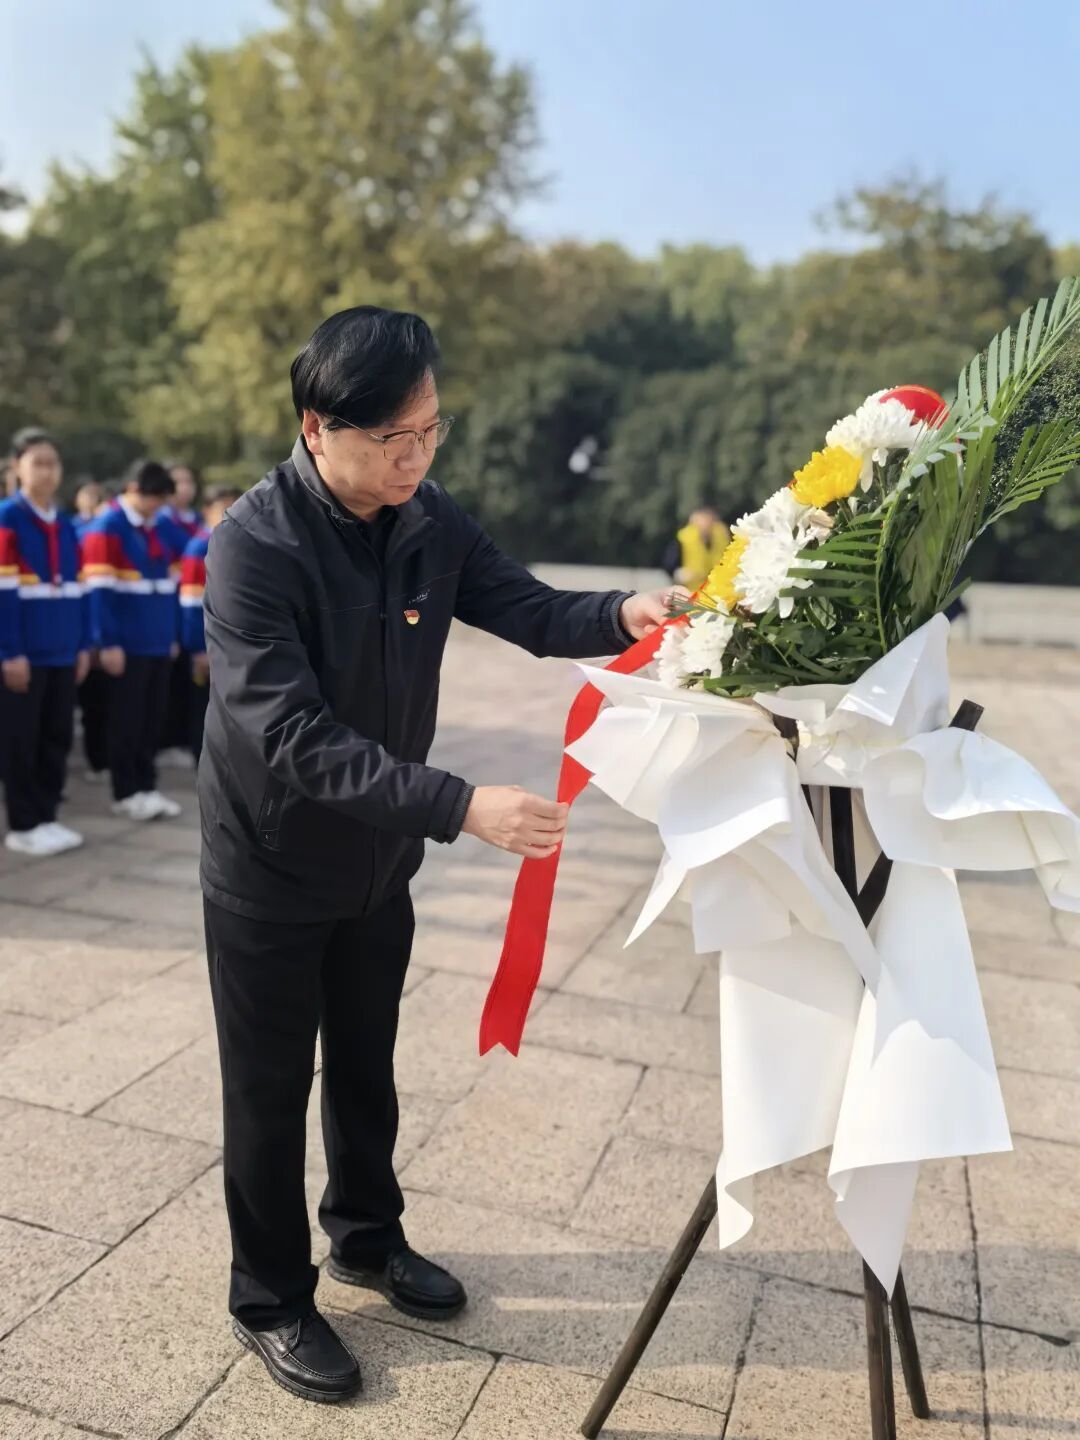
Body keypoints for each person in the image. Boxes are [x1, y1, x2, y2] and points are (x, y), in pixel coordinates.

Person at [199, 306, 677, 1404]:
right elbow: (291, 736)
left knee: (367, 1064)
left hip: (378, 863)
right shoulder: (253, 546)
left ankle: (366, 1238)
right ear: (319, 428)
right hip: (270, 864)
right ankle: (269, 1298)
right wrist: (459, 805)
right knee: (268, 1091)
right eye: (392, 439)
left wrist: (627, 612)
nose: (415, 457)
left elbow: (528, 607)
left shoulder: (427, 517)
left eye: (430, 431)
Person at [0, 429, 89, 856]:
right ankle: (23, 824)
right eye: (37, 462)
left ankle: (47, 816)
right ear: (17, 468)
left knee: (56, 737)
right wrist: (9, 652)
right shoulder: (7, 519)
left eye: (53, 463)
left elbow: (78, 589)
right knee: (22, 740)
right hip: (25, 653)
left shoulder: (66, 523)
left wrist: (82, 645)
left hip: (62, 651)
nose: (47, 471)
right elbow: (4, 594)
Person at [80, 460, 185, 822]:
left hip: (157, 639)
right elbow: (99, 593)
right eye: (155, 498)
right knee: (126, 721)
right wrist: (107, 642)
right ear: (133, 490)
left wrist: (171, 634)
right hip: (126, 644)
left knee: (151, 720)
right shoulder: (107, 527)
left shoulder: (161, 526)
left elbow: (172, 583)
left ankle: (147, 786)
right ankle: (125, 791)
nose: (159, 506)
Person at [179, 486, 241, 761]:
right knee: (203, 707)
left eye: (235, 505)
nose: (230, 512)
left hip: (232, 644)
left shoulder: (241, 541)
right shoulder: (198, 547)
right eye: (222, 507)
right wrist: (197, 648)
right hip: (207, 645)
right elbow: (190, 604)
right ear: (206, 511)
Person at [662, 505, 731, 590]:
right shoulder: (682, 539)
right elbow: (669, 565)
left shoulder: (722, 537)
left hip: (717, 589)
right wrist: (678, 574)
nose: (704, 524)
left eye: (708, 520)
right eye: (701, 520)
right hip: (690, 590)